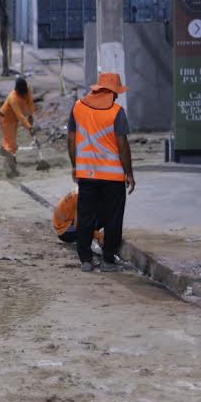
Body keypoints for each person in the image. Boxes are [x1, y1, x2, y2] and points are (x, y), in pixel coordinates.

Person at [66, 73, 136, 273]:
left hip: (87, 174)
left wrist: (75, 166)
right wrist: (129, 173)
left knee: (86, 216)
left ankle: (86, 260)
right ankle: (107, 260)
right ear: (113, 93)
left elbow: (71, 140)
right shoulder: (117, 112)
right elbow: (122, 145)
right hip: (113, 177)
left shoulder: (78, 107)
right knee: (113, 218)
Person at [0, 78, 36, 177]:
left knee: (10, 142)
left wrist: (31, 115)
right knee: (11, 145)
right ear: (18, 91)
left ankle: (7, 154)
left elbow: (30, 102)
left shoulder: (27, 90)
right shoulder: (13, 98)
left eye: (25, 93)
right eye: (22, 94)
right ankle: (10, 170)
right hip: (6, 119)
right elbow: (20, 115)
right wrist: (29, 127)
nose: (24, 95)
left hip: (14, 119)